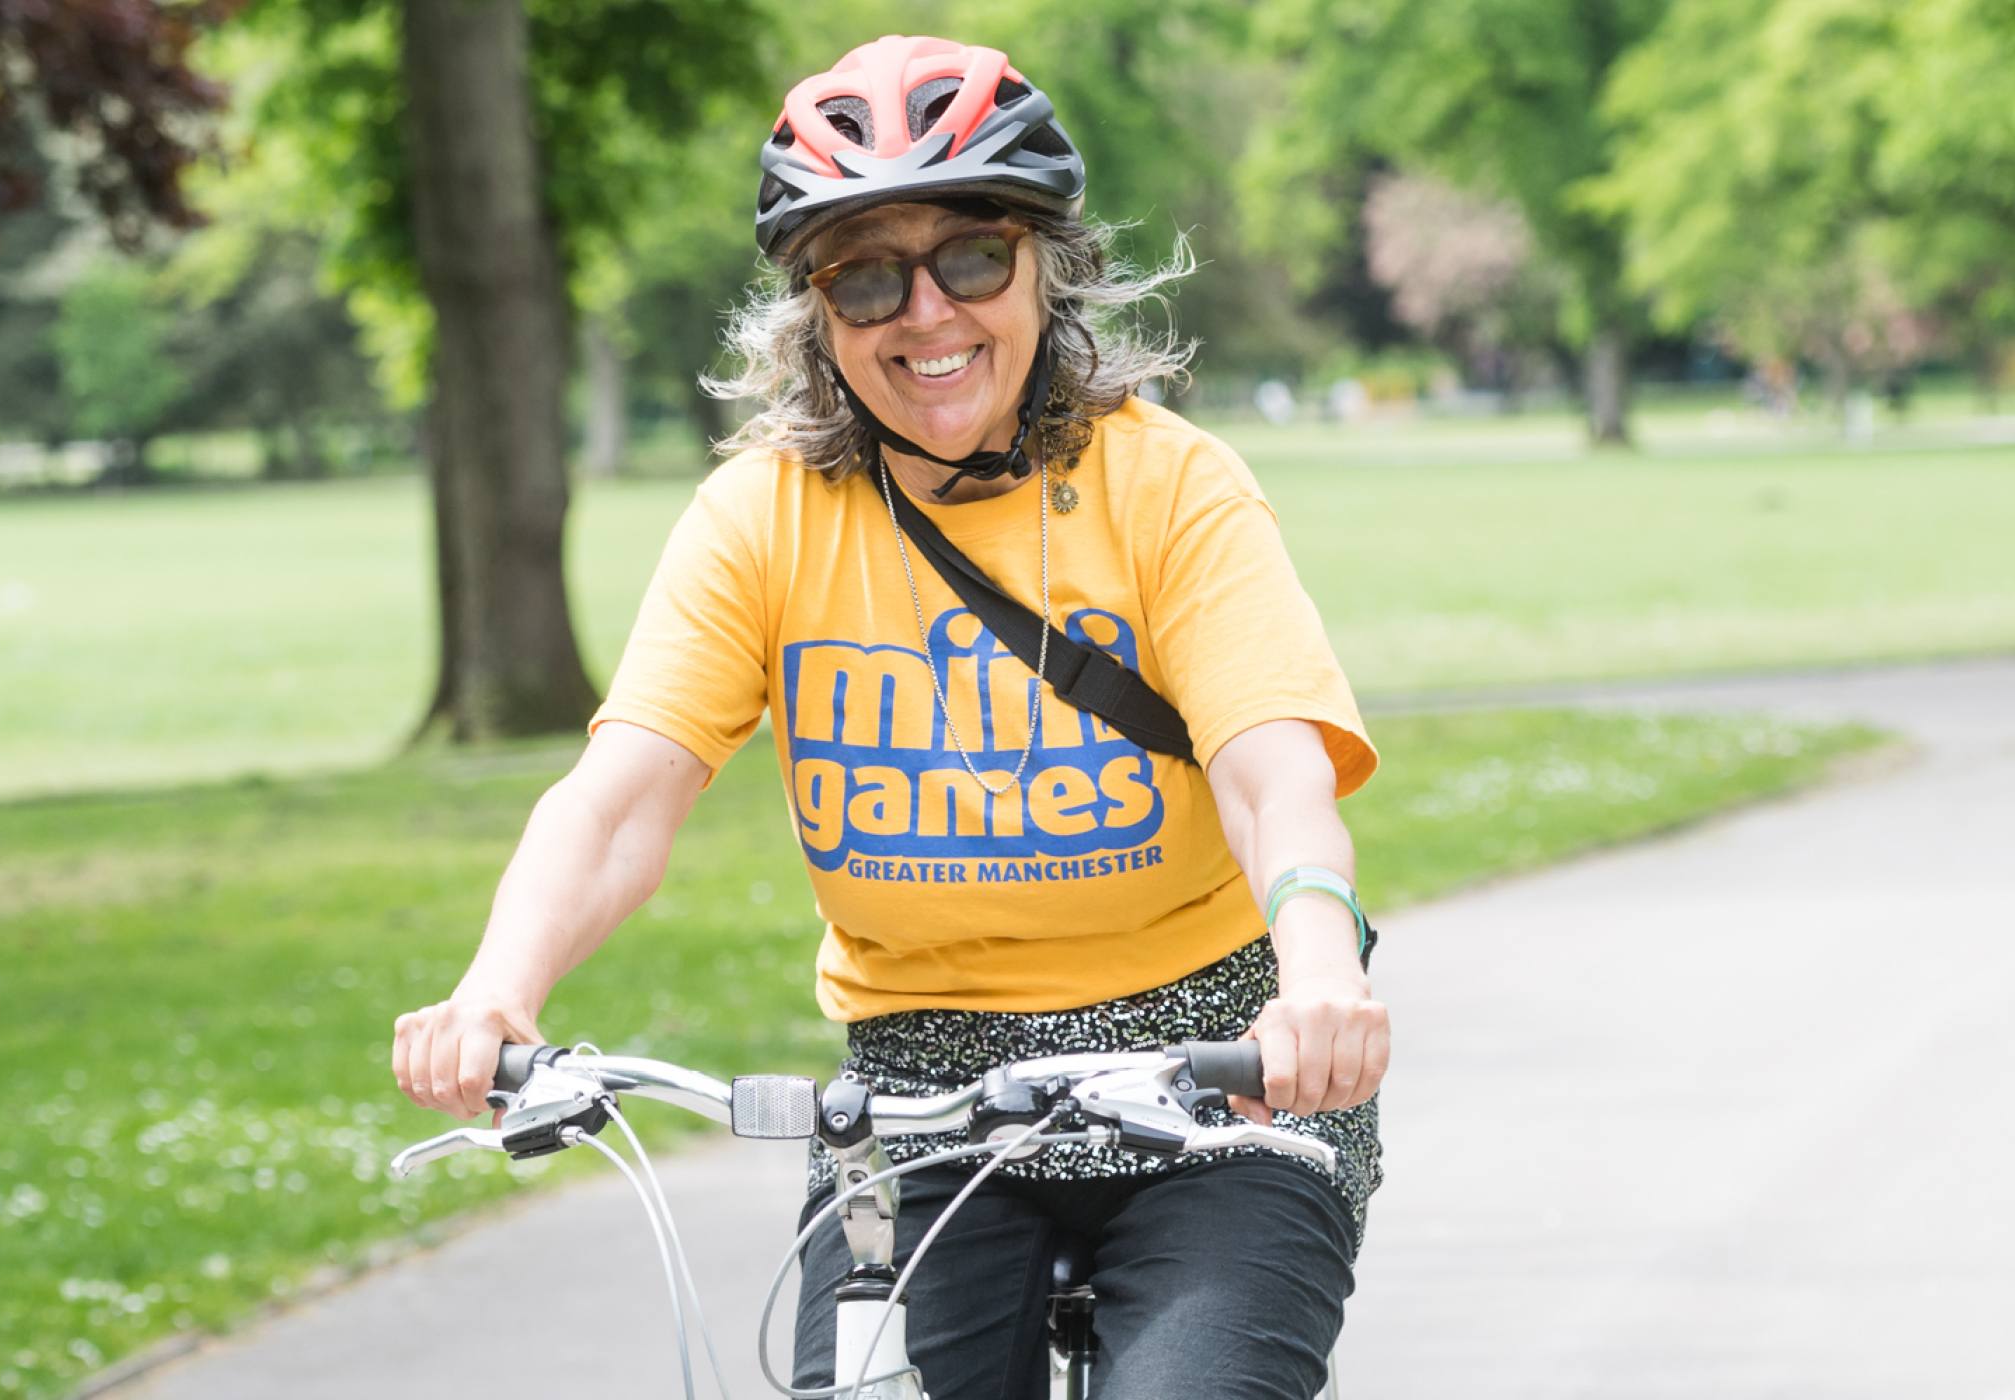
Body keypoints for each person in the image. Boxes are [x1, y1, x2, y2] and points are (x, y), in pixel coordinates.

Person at [388, 35, 1384, 1398]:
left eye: (970, 258)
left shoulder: (1172, 489)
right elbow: (618, 800)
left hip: (1217, 1080)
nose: (926, 315)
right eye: (867, 276)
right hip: (917, 1101)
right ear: (816, 312)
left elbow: (1274, 777)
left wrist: (1319, 974)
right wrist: (497, 990)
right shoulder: (762, 518)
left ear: (1047, 265)